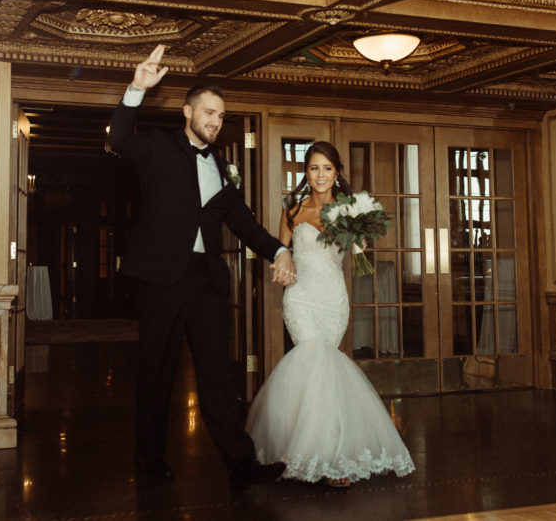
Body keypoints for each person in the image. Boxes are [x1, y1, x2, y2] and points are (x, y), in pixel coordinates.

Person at [107, 44, 296, 489]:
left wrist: (281, 251)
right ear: (187, 112)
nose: (215, 121)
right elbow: (118, 139)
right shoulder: (156, 147)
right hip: (161, 279)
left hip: (206, 282)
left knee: (217, 374)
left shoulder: (223, 168)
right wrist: (136, 88)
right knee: (156, 373)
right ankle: (149, 459)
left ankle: (241, 463)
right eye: (208, 112)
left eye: (220, 116)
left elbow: (245, 223)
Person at [246, 141, 415, 487]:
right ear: (306, 173)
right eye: (313, 168)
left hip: (333, 299)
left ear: (336, 173)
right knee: (312, 358)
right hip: (301, 297)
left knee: (322, 369)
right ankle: (317, 455)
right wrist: (283, 265)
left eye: (326, 168)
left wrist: (359, 241)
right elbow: (282, 253)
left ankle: (331, 454)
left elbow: (358, 251)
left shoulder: (350, 210)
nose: (320, 175)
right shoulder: (293, 210)